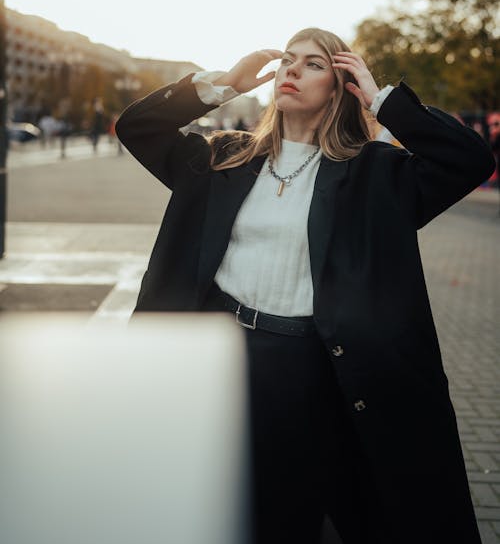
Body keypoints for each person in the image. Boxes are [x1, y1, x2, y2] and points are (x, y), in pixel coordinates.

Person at [116, 28, 494, 544]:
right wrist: (224, 85)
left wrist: (383, 99)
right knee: (208, 501)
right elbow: (138, 127)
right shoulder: (222, 157)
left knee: (286, 509)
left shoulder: (375, 177)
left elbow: (469, 161)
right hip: (214, 351)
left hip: (305, 362)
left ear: (341, 88)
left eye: (313, 64)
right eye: (288, 60)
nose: (292, 70)